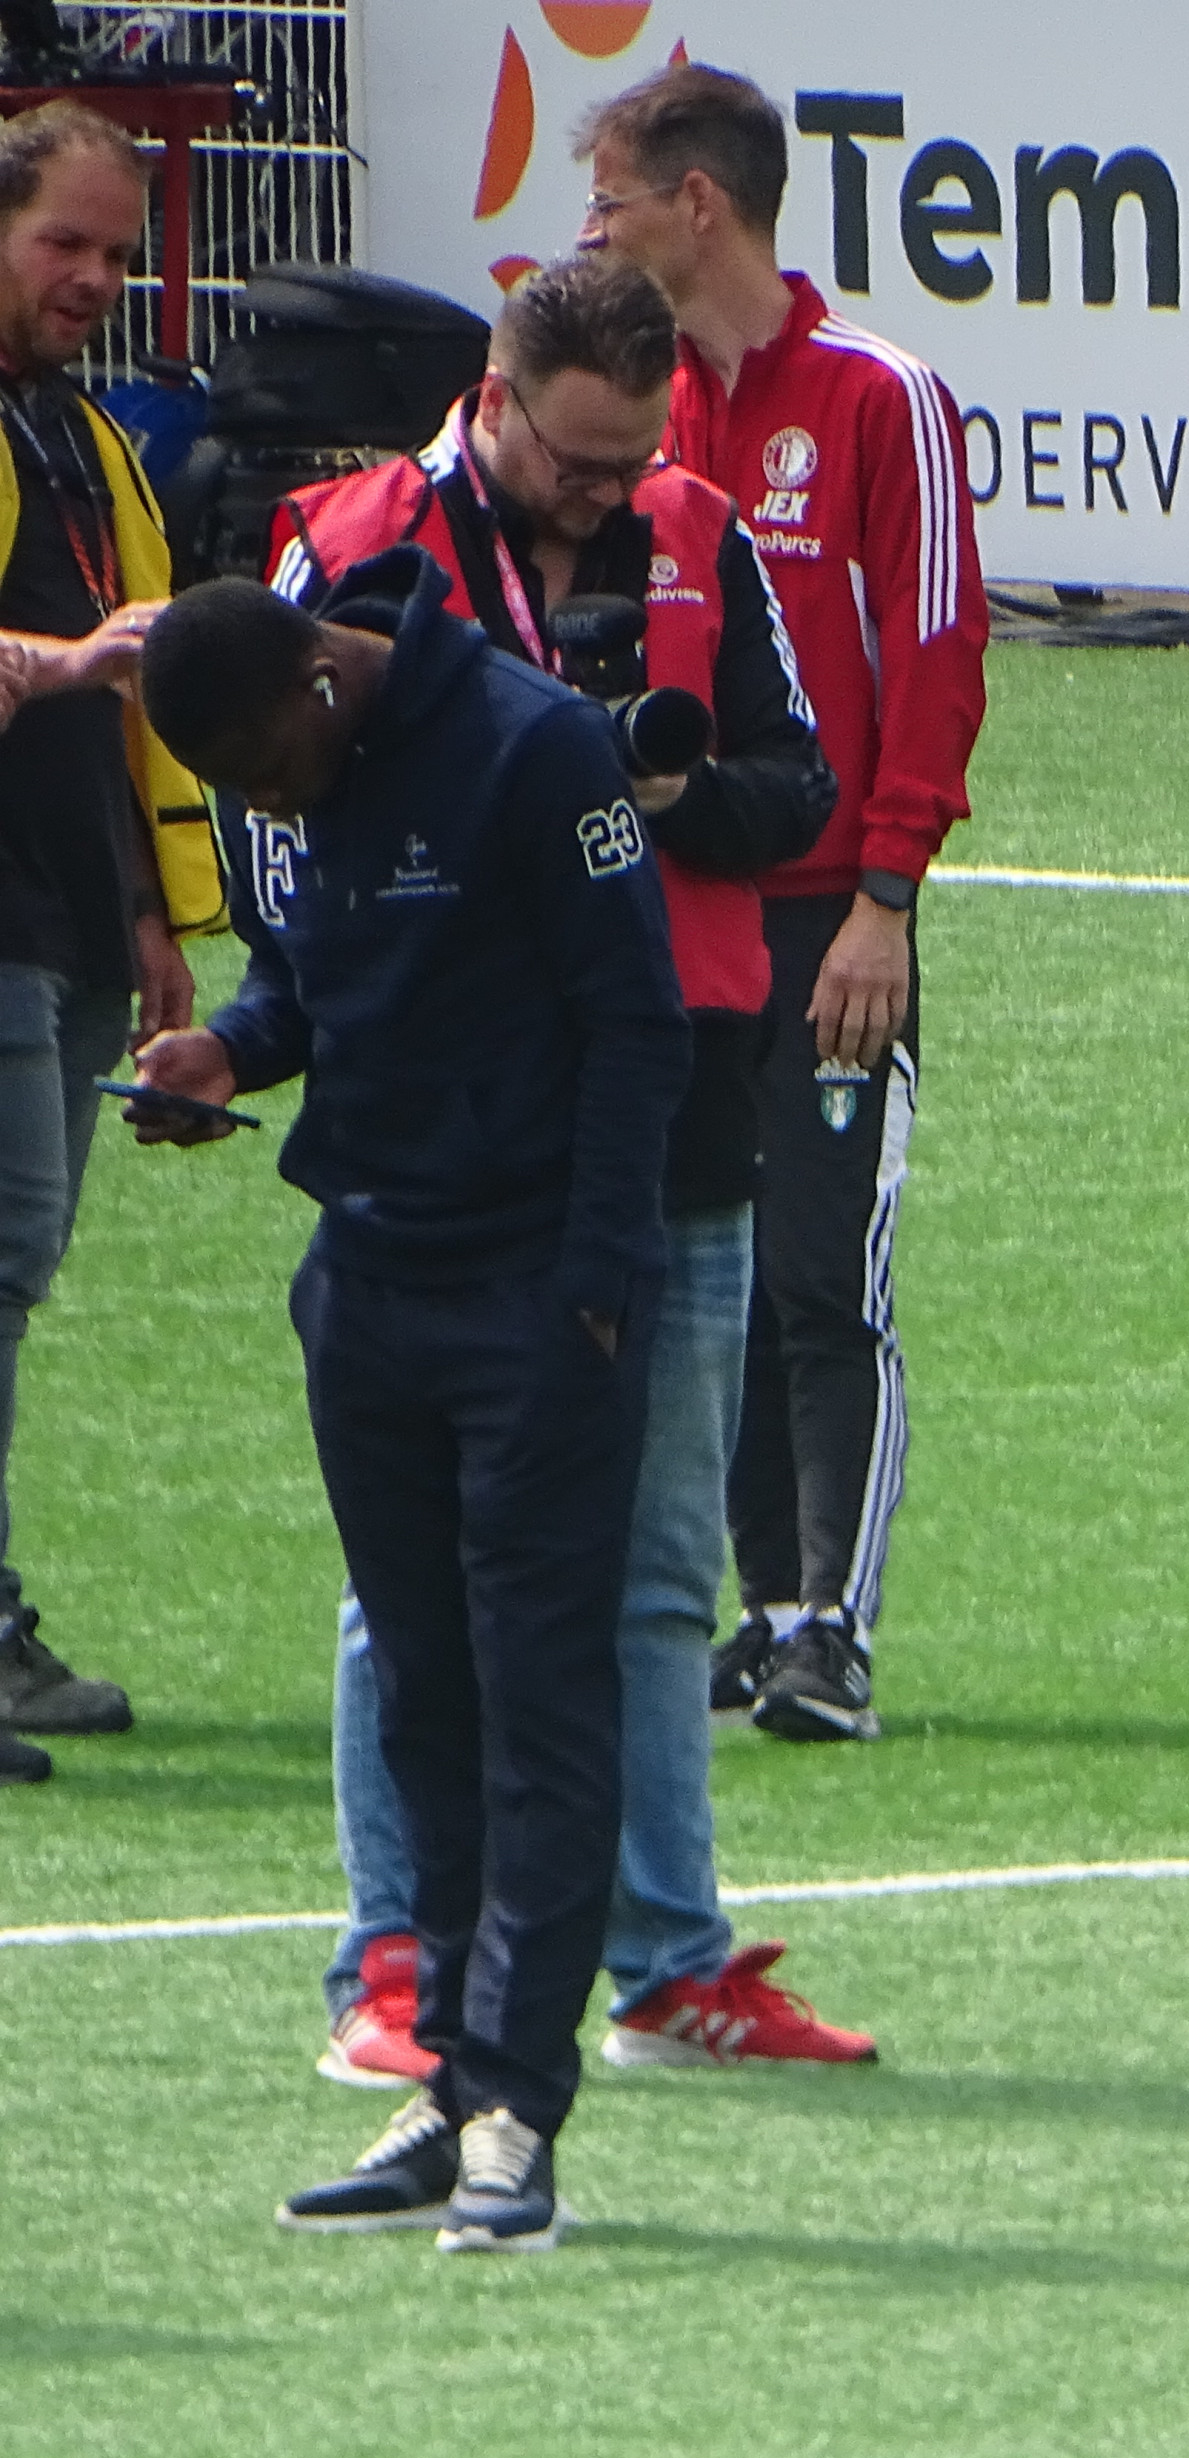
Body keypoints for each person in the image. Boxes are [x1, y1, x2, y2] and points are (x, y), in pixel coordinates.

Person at [267, 249, 874, 2085]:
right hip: (444, 1138)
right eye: (581, 462)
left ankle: (668, 1960)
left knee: (661, 1572)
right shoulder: (354, 545)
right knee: (416, 1580)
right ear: (501, 398)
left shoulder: (703, 532)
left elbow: (801, 791)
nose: (610, 498)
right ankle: (398, 1966)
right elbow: (282, 826)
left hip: (668, 1111)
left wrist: (663, 800)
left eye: (635, 462)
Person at [134, 562, 687, 2252]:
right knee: (425, 1698)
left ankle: (522, 2106)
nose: (262, 808)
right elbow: (309, 981)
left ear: (318, 681)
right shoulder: (293, 770)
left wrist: (592, 1293)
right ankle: (450, 2083)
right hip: (364, 1292)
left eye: (264, 773)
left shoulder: (531, 752)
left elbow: (637, 1026)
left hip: (531, 1305)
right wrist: (226, 1054)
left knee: (540, 1706)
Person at [578, 62, 987, 1744]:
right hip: (662, 917)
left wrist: (887, 893)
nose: (583, 233)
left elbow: (940, 655)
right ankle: (758, 1603)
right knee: (703, 1271)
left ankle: (836, 1624)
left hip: (829, 917)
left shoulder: (882, 395)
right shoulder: (619, 406)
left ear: (696, 202)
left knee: (826, 1277)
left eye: (603, 200)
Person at [0, 101, 222, 1786]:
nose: (95, 279)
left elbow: (128, 701)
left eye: (118, 255)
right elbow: (89, 669)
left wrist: (152, 916)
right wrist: (68, 664)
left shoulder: (81, 433)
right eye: (64, 242)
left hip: (70, 916)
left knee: (20, 1266)